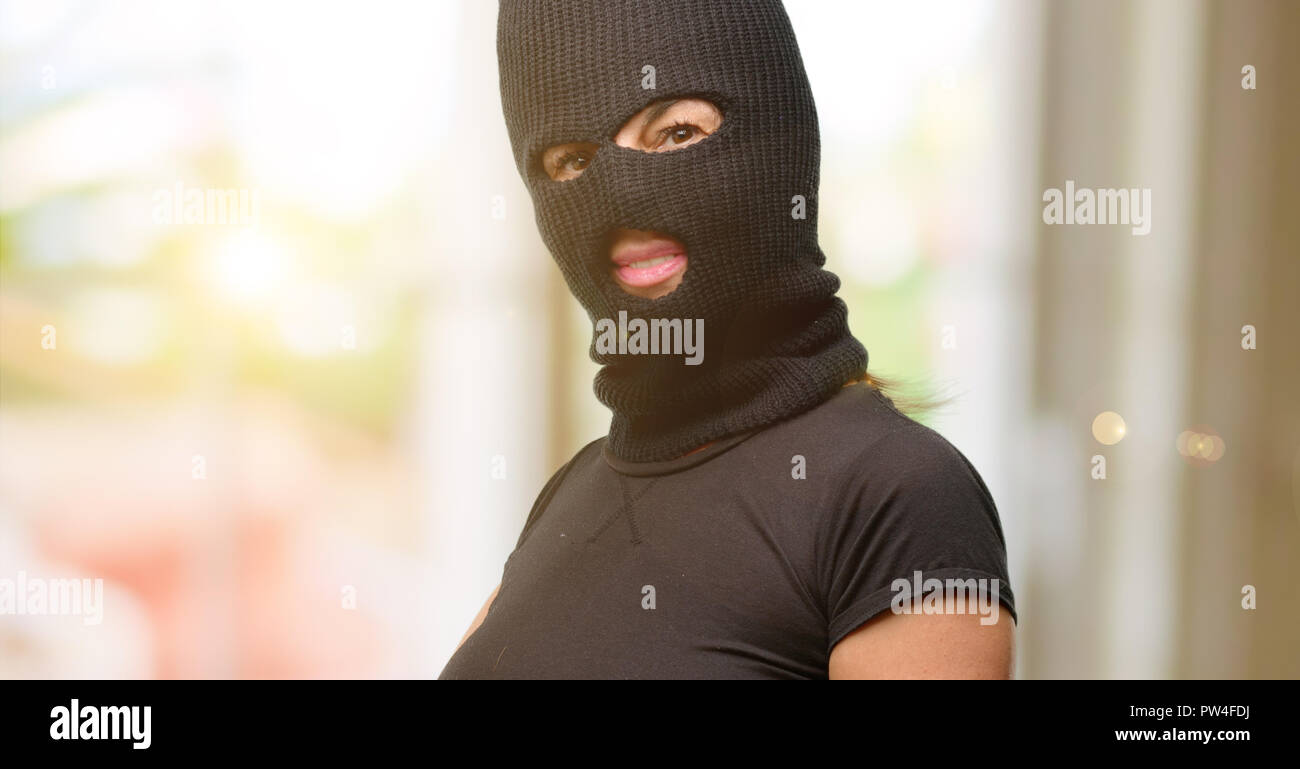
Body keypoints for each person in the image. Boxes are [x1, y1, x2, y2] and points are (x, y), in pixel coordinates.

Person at [439, 0, 1015, 679]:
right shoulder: (571, 494)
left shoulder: (898, 493)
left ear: (781, 141)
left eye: (677, 133)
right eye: (575, 159)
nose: (622, 194)